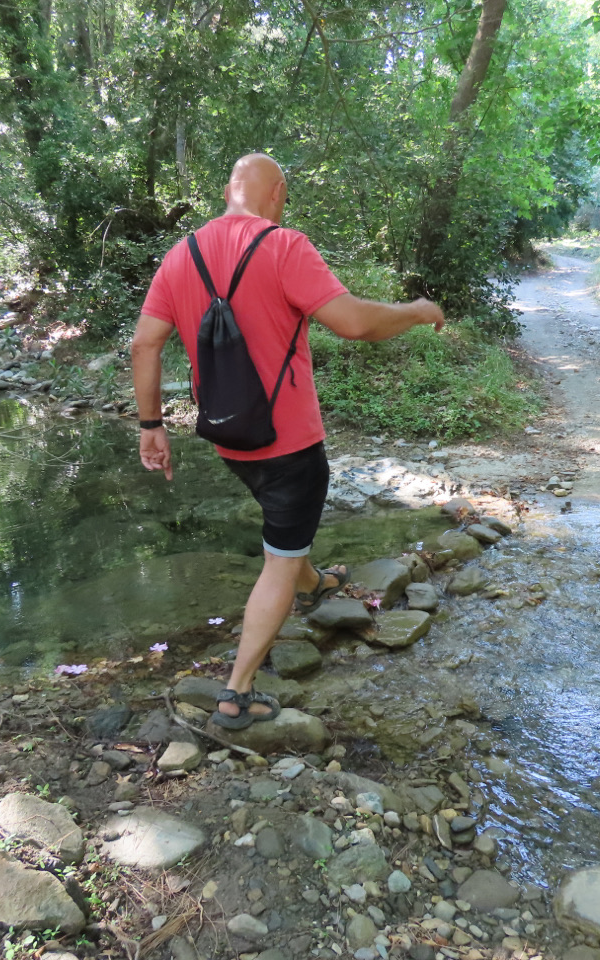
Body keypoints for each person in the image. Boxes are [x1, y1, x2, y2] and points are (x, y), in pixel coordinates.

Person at [131, 153, 444, 729]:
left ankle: (314, 582)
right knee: (279, 556)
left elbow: (144, 344)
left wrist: (152, 426)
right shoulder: (283, 246)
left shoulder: (181, 254)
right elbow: (355, 323)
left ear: (229, 191)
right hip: (290, 445)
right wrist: (418, 310)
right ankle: (237, 693)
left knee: (284, 530)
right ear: (276, 193)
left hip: (228, 436)